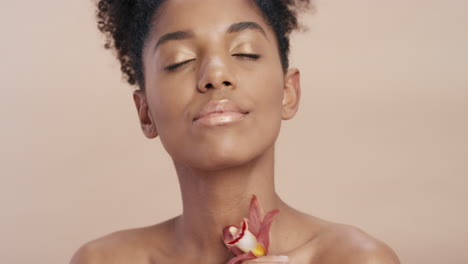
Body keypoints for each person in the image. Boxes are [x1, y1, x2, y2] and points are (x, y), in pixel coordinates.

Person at [71, 0, 400, 263]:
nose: (215, 74)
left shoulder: (355, 259)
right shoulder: (102, 260)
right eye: (178, 60)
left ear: (288, 92)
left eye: (245, 52)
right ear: (145, 113)